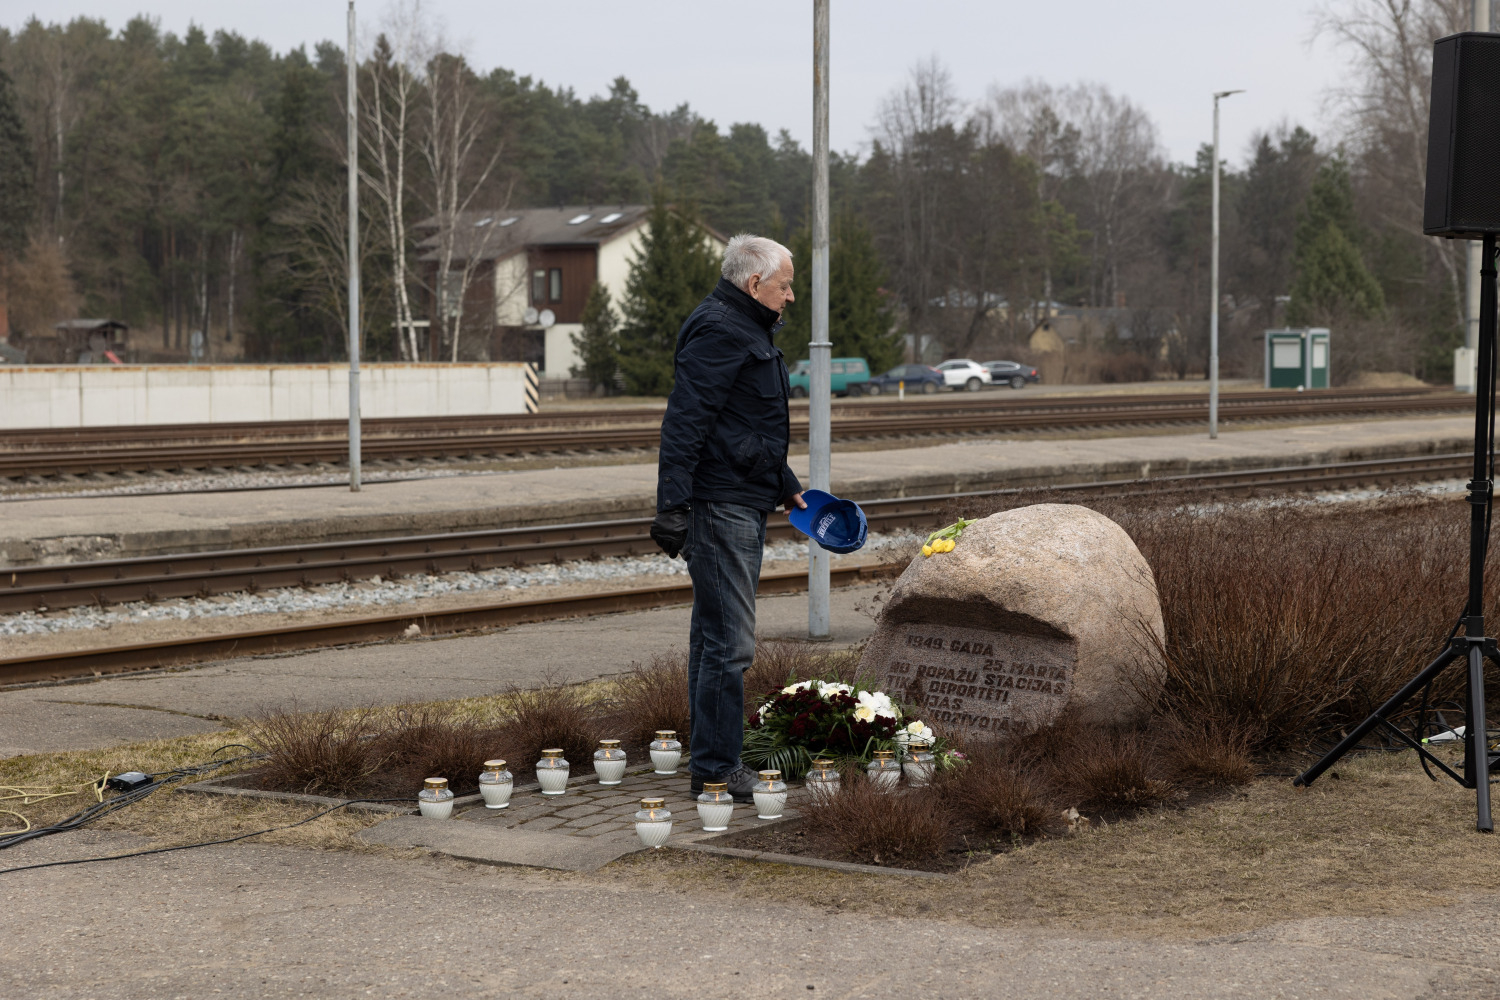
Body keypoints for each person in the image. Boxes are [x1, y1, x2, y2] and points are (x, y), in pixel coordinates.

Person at [650, 234, 806, 801]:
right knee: (729, 643)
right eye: (785, 285)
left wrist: (788, 487)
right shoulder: (722, 328)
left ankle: (711, 760)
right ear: (754, 284)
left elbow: (742, 423)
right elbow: (686, 419)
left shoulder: (744, 326)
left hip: (740, 496)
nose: (790, 296)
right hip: (720, 505)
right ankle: (717, 769)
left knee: (713, 637)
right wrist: (672, 504)